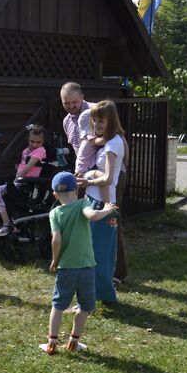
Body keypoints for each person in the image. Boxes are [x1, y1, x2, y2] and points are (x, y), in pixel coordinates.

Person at [61, 81, 130, 285]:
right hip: (88, 178)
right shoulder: (67, 121)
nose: (71, 106)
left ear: (81, 96)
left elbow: (115, 139)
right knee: (91, 224)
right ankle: (95, 270)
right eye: (66, 103)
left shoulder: (96, 111)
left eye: (74, 102)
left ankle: (117, 272)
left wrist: (94, 143)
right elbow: (79, 148)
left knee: (111, 220)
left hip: (105, 176)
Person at [41, 172, 117, 355]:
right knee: (85, 307)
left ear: (55, 195)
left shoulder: (54, 213)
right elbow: (92, 216)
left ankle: (52, 343)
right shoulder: (83, 203)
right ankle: (73, 341)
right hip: (87, 267)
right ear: (76, 190)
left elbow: (56, 239)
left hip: (66, 268)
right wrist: (107, 209)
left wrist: (55, 260)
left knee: (58, 305)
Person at [79, 100, 126, 304]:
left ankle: (101, 295)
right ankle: (97, 294)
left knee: (99, 252)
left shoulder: (113, 144)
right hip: (96, 200)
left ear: (111, 120)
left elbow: (108, 178)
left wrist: (86, 180)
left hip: (102, 205)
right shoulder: (108, 140)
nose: (97, 125)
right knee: (94, 250)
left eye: (101, 121)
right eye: (95, 121)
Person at [0, 124, 47, 237]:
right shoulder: (26, 150)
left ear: (42, 141)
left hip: (25, 184)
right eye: (32, 141)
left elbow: (27, 168)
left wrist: (16, 179)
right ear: (28, 139)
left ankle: (7, 224)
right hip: (18, 181)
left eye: (38, 142)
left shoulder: (40, 151)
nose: (35, 144)